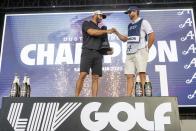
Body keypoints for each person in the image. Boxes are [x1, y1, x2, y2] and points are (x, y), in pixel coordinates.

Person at [114, 6, 155, 96]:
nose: (128, 14)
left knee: (141, 73)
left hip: (140, 51)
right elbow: (125, 39)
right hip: (129, 53)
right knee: (129, 75)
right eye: (128, 13)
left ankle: (145, 96)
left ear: (135, 11)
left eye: (130, 12)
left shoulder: (143, 22)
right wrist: (116, 32)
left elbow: (152, 35)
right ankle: (128, 96)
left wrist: (146, 48)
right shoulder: (130, 25)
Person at [75, 10, 115, 97]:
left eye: (102, 17)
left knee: (95, 77)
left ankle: (94, 99)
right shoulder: (86, 23)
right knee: (83, 74)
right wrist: (106, 31)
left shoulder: (101, 29)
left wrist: (108, 50)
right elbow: (92, 32)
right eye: (100, 15)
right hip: (87, 52)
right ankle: (76, 97)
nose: (101, 18)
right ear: (94, 15)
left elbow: (102, 45)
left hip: (98, 54)